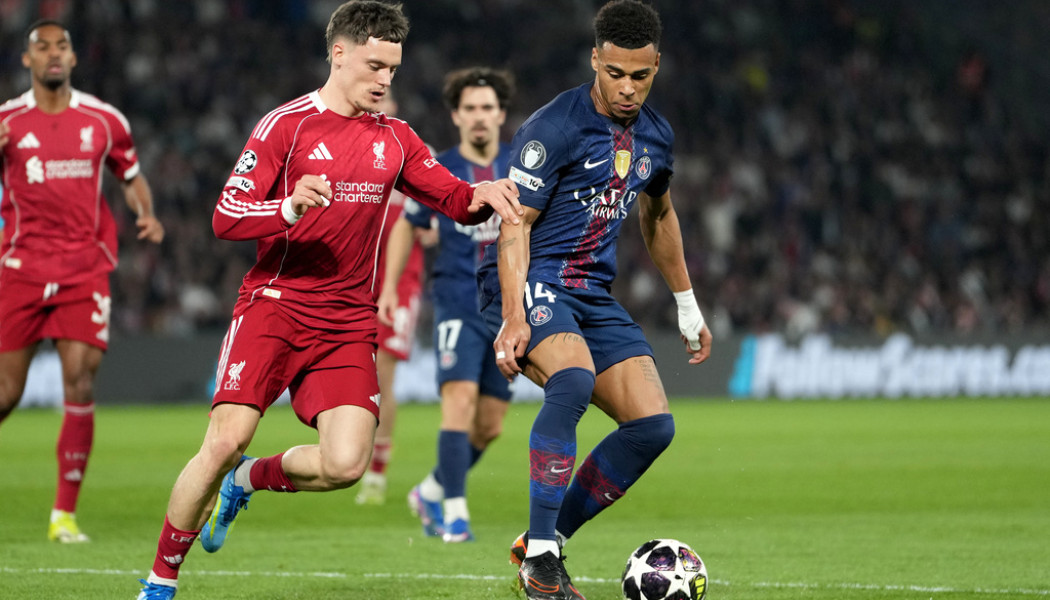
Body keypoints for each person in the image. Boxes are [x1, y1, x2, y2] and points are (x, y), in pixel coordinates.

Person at [136, 2, 522, 598]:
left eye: (392, 69)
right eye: (374, 66)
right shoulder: (284, 126)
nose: (384, 80)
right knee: (225, 440)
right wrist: (288, 207)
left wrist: (485, 193)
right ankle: (160, 583)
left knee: (345, 465)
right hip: (275, 305)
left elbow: (453, 199)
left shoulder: (396, 138)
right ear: (338, 54)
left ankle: (248, 480)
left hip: (345, 322)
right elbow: (226, 216)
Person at [476, 1, 712, 598]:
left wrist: (687, 304)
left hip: (590, 291)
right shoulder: (554, 128)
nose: (628, 88)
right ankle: (542, 565)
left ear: (657, 66)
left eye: (641, 75)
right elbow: (514, 225)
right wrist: (513, 316)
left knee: (652, 426)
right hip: (530, 278)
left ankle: (543, 541)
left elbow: (658, 217)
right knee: (574, 379)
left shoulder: (656, 136)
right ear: (594, 61)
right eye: (615, 74)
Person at [0, 19, 165, 544]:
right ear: (27, 60)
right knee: (5, 393)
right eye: (42, 47)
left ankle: (63, 516)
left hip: (83, 269)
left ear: (73, 58)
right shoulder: (6, 122)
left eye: (62, 47)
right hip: (21, 268)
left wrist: (145, 213)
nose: (53, 54)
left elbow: (131, 176)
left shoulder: (104, 120)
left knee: (80, 381)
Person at [380, 67, 516, 542]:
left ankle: (431, 489)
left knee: (490, 424)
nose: (479, 116)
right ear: (456, 116)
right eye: (470, 108)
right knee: (458, 402)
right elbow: (408, 223)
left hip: (509, 311)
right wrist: (389, 289)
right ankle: (456, 515)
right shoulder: (439, 169)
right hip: (457, 301)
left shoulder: (522, 165)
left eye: (487, 107)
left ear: (500, 114)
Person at [354, 92, 434, 506]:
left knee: (383, 374)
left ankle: (376, 473)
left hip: (401, 280)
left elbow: (433, 226)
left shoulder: (415, 151)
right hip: (355, 277)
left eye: (386, 99)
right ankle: (348, 454)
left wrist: (427, 224)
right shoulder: (349, 146)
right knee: (356, 371)